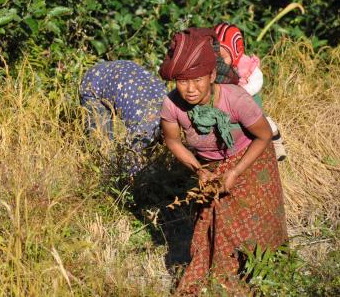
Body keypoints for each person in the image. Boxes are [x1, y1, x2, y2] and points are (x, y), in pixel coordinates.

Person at [158, 28, 288, 295]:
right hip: (211, 168)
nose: (190, 89)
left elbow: (264, 136)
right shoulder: (172, 105)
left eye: (197, 80)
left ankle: (270, 277)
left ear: (211, 76)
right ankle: (222, 282)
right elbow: (172, 140)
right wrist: (199, 170)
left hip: (252, 162)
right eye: (182, 81)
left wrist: (236, 171)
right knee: (214, 226)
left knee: (259, 227)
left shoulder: (235, 98)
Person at [80, 60, 168, 176]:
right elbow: (131, 159)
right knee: (103, 147)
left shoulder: (171, 106)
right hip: (94, 84)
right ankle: (103, 182)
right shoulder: (146, 125)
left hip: (123, 74)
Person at [214, 23, 287, 161]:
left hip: (247, 100)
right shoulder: (215, 69)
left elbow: (257, 79)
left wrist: (244, 91)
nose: (218, 62)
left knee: (263, 123)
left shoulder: (244, 64)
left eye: (223, 57)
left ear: (235, 52)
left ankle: (276, 144)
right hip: (227, 105)